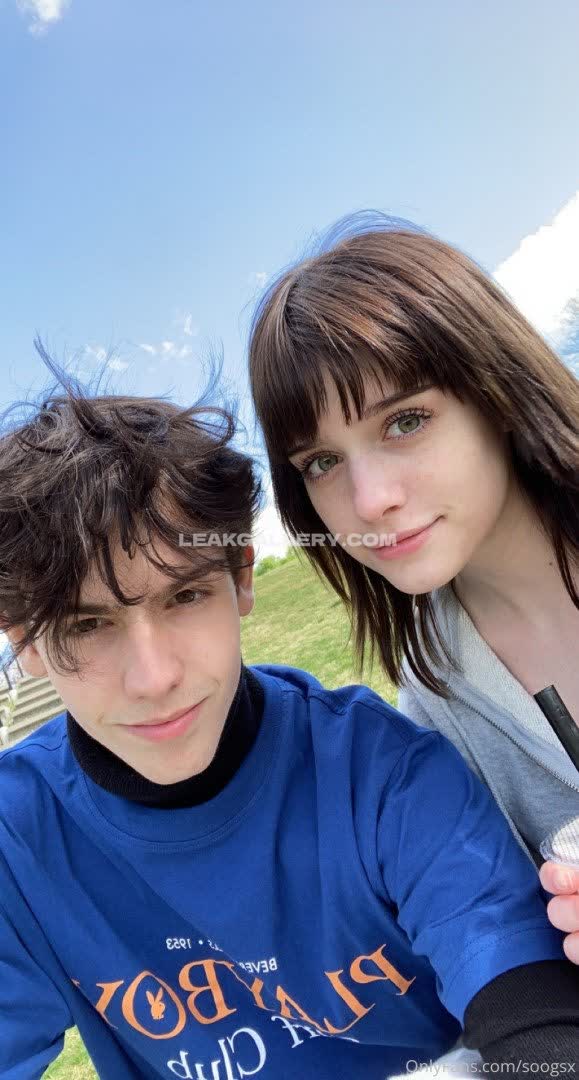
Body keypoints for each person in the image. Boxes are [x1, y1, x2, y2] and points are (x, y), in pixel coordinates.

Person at [0, 364, 578, 1078]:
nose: (154, 678)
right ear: (24, 641)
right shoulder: (16, 838)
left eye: (185, 597)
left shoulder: (385, 773)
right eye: (87, 625)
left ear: (241, 578)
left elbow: (535, 1016)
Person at [248, 212, 579, 966]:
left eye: (406, 421)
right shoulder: (433, 687)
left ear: (497, 391)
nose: (369, 502)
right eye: (321, 462)